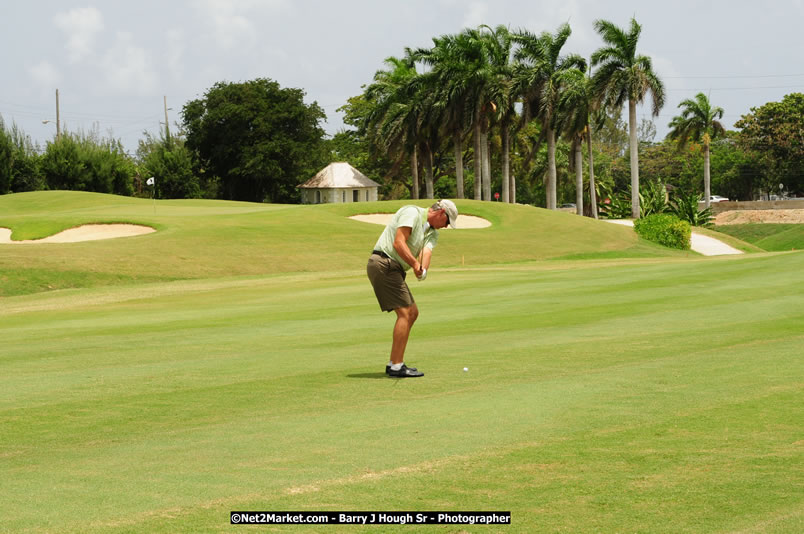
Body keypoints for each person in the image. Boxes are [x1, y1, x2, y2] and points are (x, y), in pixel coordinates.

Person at [366, 200, 458, 377]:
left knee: (413, 313)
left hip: (396, 269)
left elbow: (427, 251)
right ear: (441, 213)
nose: (446, 226)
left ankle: (394, 362)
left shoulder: (432, 233)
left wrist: (422, 269)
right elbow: (398, 243)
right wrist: (415, 264)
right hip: (383, 263)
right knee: (406, 313)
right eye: (447, 222)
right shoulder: (412, 213)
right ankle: (396, 366)